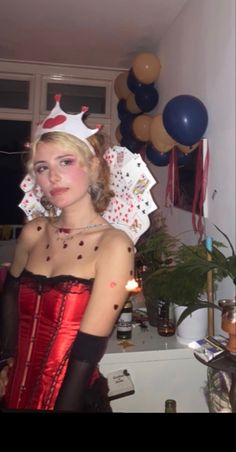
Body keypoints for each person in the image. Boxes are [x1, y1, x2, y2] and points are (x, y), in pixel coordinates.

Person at [0, 94, 135, 412]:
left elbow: (87, 351)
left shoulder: (114, 245)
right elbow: (9, 296)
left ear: (92, 166)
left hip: (71, 398)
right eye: (42, 167)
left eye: (66, 162)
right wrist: (5, 360)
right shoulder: (34, 231)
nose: (53, 177)